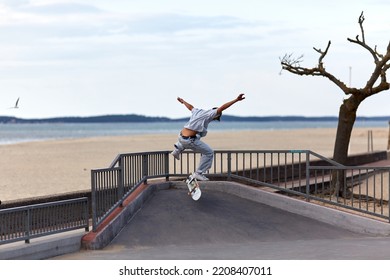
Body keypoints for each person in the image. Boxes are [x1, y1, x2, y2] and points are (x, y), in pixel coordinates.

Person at [171, 93, 245, 181]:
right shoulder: (211, 114)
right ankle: (198, 173)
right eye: (215, 118)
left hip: (181, 137)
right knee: (209, 152)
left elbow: (190, 107)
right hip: (188, 141)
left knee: (198, 135)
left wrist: (183, 101)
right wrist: (236, 100)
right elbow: (222, 108)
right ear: (216, 115)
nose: (214, 120)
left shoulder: (198, 111)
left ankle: (177, 149)